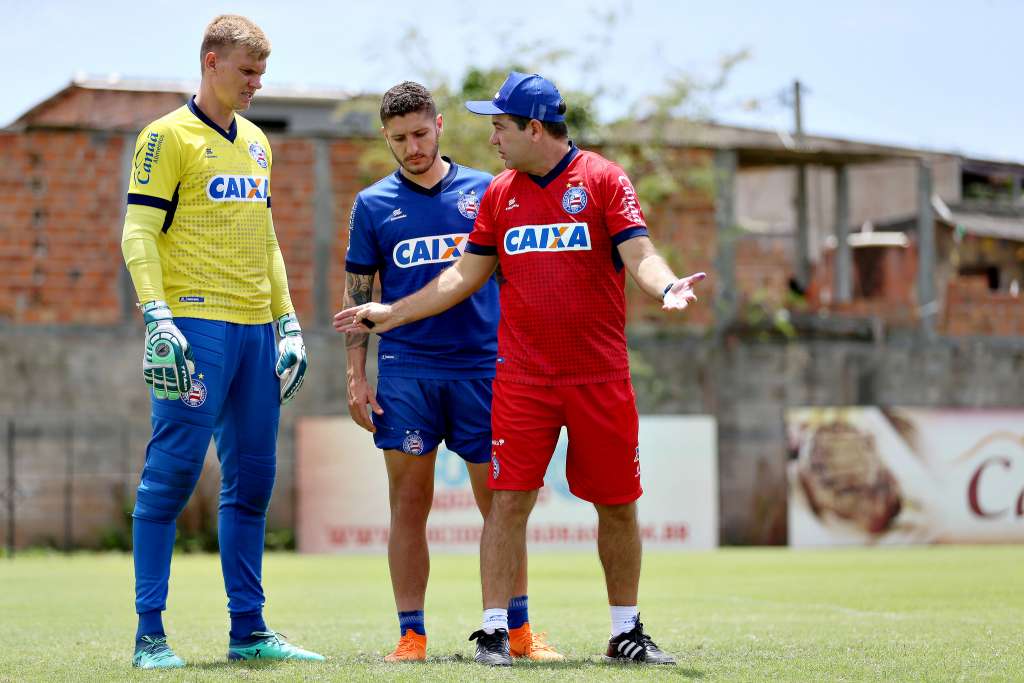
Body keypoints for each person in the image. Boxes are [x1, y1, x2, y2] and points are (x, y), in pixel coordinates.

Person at [335, 71, 706, 667]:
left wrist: (665, 288)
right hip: (519, 380)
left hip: (593, 375)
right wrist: (389, 317)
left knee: (616, 503)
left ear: (534, 128)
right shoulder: (499, 195)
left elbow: (641, 253)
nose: (493, 138)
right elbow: (462, 275)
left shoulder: (603, 180)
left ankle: (623, 630)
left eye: (501, 126)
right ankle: (490, 633)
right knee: (507, 501)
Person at [120, 14, 322, 669]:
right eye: (247, 71)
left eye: (261, 73)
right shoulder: (166, 136)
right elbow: (138, 232)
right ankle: (150, 635)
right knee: (172, 476)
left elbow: (265, 240)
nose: (257, 84)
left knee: (255, 480)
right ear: (211, 61)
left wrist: (287, 320)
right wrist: (158, 315)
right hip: (194, 327)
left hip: (255, 332)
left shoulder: (259, 142)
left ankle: (249, 631)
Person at [340, 81, 562, 663]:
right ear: (384, 138)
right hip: (407, 372)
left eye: (419, 133)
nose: (411, 147)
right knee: (408, 506)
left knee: (503, 507)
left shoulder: (486, 191)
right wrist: (355, 375)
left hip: (486, 371)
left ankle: (518, 633)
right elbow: (359, 298)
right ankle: (411, 636)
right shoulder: (371, 205)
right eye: (398, 139)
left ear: (439, 125)